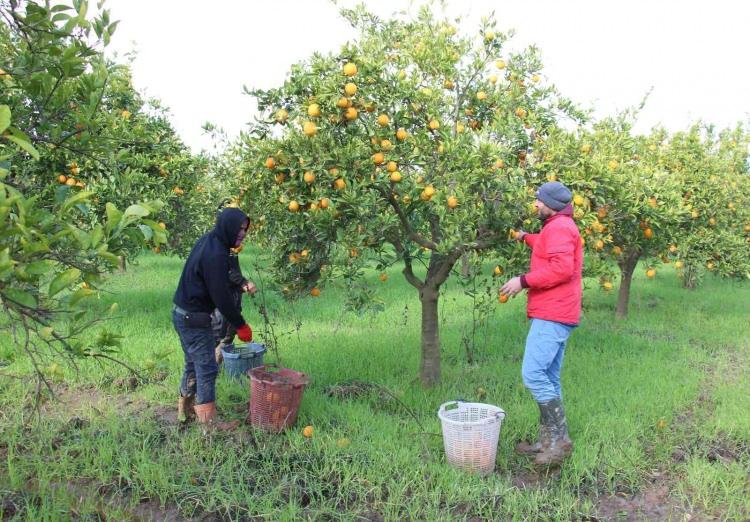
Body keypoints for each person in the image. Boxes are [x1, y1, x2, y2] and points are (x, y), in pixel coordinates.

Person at [500, 181, 583, 466]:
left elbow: (561, 267)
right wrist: (525, 237)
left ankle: (559, 443)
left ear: (551, 204)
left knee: (533, 374)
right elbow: (547, 247)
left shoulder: (559, 227)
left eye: (539, 200)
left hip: (553, 312)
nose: (535, 204)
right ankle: (549, 441)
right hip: (559, 311)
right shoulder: (557, 227)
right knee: (548, 376)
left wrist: (522, 281)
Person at [173, 207, 254, 430]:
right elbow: (221, 297)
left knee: (192, 362)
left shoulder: (210, 241)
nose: (242, 235)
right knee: (208, 367)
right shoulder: (216, 254)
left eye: (245, 231)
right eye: (239, 231)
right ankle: (209, 425)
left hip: (181, 314)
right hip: (194, 318)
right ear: (227, 226)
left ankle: (185, 411)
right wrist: (240, 324)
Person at [211, 243, 256, 364]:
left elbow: (233, 270)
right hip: (223, 300)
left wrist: (240, 286)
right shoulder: (220, 249)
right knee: (220, 336)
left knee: (228, 335)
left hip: (232, 298)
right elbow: (226, 271)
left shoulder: (232, 250)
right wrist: (243, 283)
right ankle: (210, 370)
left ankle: (218, 366)